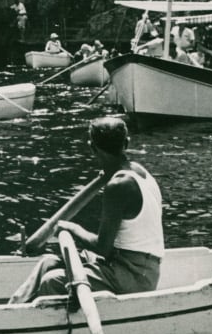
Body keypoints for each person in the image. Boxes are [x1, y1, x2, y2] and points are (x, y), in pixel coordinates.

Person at [9, 117, 164, 303]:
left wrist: (73, 228)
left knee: (52, 281)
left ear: (92, 148)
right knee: (48, 263)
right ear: (126, 143)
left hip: (134, 275)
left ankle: (32, 318)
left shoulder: (118, 185)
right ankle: (14, 306)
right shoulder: (138, 171)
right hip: (127, 264)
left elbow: (102, 248)